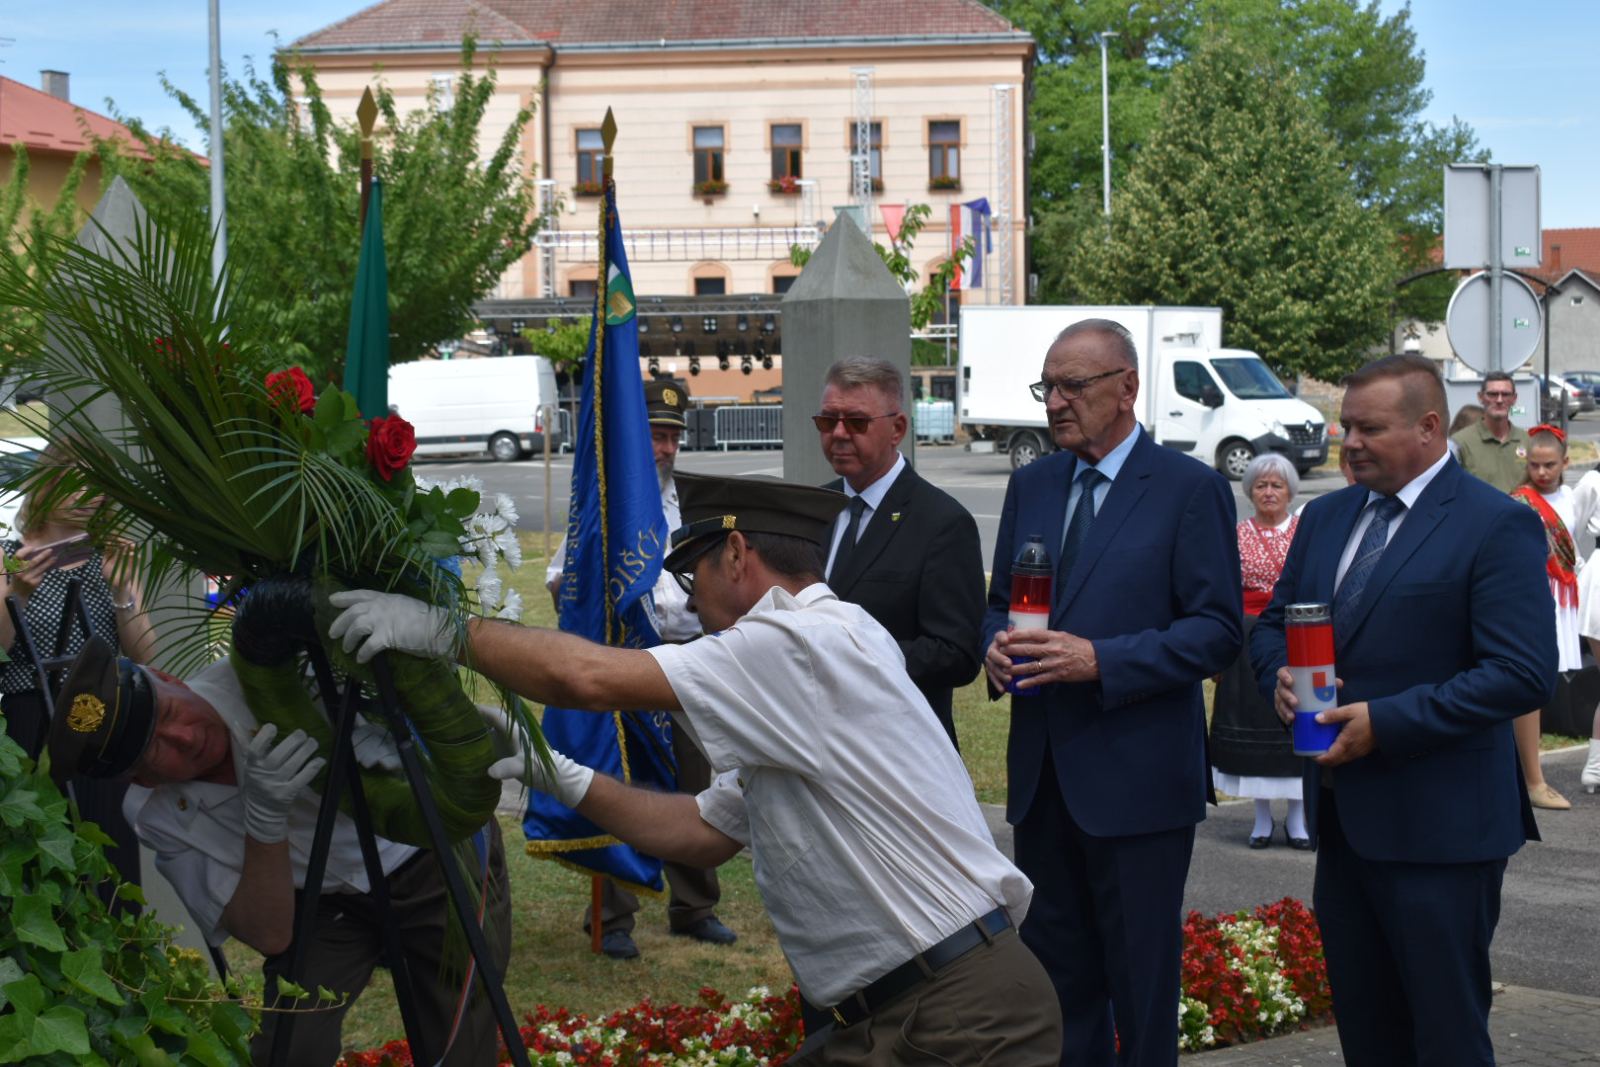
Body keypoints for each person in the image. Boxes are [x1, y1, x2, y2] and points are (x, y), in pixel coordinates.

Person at [329, 472, 1064, 1065]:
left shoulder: (795, 644)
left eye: (691, 573)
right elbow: (705, 831)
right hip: (908, 1009)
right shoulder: (825, 647)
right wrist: (556, 774)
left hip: (959, 1015)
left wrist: (440, 629)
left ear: (737, 554)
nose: (687, 600)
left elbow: (586, 675)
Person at [1251, 354, 1553, 1067]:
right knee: (1368, 1031)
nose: (1348, 442)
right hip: (1347, 827)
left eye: (1368, 428)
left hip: (1444, 832)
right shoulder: (1325, 517)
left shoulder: (1493, 524)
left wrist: (1385, 721)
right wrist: (1281, 675)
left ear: (1427, 427)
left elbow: (1521, 673)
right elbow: (1271, 625)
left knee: (1444, 1036)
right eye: (1345, 426)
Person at [47, 628, 513, 1067]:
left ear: (169, 678)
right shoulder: (153, 812)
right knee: (288, 1049)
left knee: (458, 1043)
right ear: (141, 779)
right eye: (156, 750)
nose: (184, 738)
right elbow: (269, 935)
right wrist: (264, 823)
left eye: (169, 714)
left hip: (422, 857)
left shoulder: (267, 676)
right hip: (322, 902)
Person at [981, 318, 1242, 1067]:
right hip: (1043, 779)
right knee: (1058, 984)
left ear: (1126, 387)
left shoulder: (1188, 489)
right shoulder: (1032, 481)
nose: (1055, 403)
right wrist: (993, 646)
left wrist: (1102, 660)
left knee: (1142, 983)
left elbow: (1217, 629)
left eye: (1072, 386)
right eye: (1048, 387)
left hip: (1138, 782)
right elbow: (1000, 601)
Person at [544, 377, 736, 959]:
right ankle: (613, 915)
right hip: (625, 662)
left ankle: (695, 906)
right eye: (656, 435)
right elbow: (561, 580)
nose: (667, 448)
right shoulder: (607, 505)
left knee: (694, 785)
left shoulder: (691, 503)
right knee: (619, 783)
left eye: (674, 436)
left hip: (684, 662)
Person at [0, 443, 156, 902]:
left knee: (109, 858)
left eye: (100, 486)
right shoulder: (9, 556)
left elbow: (146, 656)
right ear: (49, 482)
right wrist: (19, 593)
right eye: (80, 481)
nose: (94, 496)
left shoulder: (109, 558)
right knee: (39, 866)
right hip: (32, 719)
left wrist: (124, 590)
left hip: (101, 718)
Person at [815, 356, 984, 749]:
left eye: (856, 422)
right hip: (818, 746)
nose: (839, 434)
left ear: (898, 428)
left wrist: (852, 658)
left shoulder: (942, 522)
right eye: (827, 421)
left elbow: (957, 654)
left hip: (899, 753)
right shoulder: (810, 508)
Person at [1211, 453, 1307, 849]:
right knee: (1256, 724)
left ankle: (1300, 817)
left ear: (1290, 492)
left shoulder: (1305, 531)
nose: (1269, 492)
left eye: (1277, 485)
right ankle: (1263, 817)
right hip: (1247, 640)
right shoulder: (1234, 533)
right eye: (1262, 485)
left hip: (1296, 637)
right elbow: (1224, 592)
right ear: (1250, 491)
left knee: (1298, 721)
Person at [1510, 424, 1581, 811]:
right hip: (1535, 595)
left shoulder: (1572, 497)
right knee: (1530, 678)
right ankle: (1533, 778)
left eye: (1549, 464)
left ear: (1565, 463)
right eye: (1535, 465)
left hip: (1567, 594)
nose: (1541, 472)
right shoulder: (1519, 502)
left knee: (1546, 679)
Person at [1450, 372, 1529, 492]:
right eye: (1492, 394)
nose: (1499, 400)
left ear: (1514, 399)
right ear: (1480, 397)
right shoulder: (1460, 442)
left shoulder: (1527, 440)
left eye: (1506, 394)